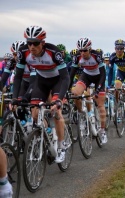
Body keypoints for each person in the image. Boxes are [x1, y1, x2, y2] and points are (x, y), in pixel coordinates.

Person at [13, 25, 70, 163]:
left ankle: (62, 146)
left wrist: (59, 99)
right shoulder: (23, 52)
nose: (32, 46)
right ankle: (48, 135)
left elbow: (65, 78)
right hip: (41, 81)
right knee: (34, 113)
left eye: (36, 43)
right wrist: (15, 97)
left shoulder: (53, 52)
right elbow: (18, 77)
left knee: (56, 111)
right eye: (29, 43)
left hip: (57, 81)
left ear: (43, 43)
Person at [69, 37, 107, 143]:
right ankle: (82, 114)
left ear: (90, 49)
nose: (82, 53)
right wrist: (67, 88)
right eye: (80, 50)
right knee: (75, 93)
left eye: (84, 50)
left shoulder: (96, 56)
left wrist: (98, 89)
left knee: (100, 105)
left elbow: (103, 74)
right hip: (86, 76)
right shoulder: (77, 57)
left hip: (99, 77)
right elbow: (71, 74)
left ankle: (103, 130)